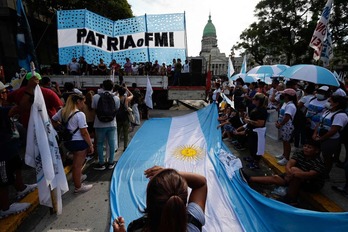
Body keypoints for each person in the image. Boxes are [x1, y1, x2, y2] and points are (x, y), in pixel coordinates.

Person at [113, 166, 207, 232]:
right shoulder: (193, 221)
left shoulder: (137, 228)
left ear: (148, 202)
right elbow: (201, 183)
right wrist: (170, 173)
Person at [240, 140, 326, 205]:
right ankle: (250, 179)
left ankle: (291, 198)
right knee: (277, 177)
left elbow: (310, 175)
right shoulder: (300, 153)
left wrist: (293, 173)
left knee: (296, 172)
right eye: (305, 146)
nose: (306, 148)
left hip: (311, 183)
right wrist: (289, 171)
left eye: (309, 147)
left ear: (316, 151)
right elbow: (290, 163)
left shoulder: (318, 162)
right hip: (293, 176)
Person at [0, 82, 37, 218]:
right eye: (3, 92)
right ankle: (5, 208)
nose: (6, 94)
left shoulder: (3, 106)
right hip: (2, 152)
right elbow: (20, 108)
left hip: (10, 147)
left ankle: (21, 188)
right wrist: (29, 90)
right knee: (3, 181)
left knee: (16, 167)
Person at [52, 94, 94, 194]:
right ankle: (78, 186)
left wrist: (61, 128)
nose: (83, 104)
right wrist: (90, 145)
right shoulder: (80, 114)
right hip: (79, 142)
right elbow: (84, 132)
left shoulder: (62, 111)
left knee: (76, 164)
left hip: (68, 142)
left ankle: (78, 177)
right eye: (82, 102)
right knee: (77, 165)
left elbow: (53, 121)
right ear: (78, 102)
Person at [312, 95, 348, 176]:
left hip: (330, 139)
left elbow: (333, 130)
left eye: (330, 101)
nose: (327, 103)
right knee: (316, 154)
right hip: (320, 137)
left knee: (327, 157)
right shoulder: (328, 111)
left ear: (336, 104)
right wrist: (315, 133)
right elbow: (319, 123)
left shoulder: (340, 115)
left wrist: (321, 138)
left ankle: (325, 174)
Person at [234, 93, 268, 169]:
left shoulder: (262, 110)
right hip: (252, 130)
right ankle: (252, 158)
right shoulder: (256, 108)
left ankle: (256, 163)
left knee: (256, 148)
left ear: (258, 101)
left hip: (257, 132)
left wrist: (248, 121)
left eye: (254, 99)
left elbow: (260, 123)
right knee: (251, 146)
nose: (252, 100)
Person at [92, 80, 120, 170]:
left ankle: (101, 163)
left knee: (99, 144)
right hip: (112, 123)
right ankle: (111, 162)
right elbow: (117, 108)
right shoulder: (116, 98)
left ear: (102, 86)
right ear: (113, 88)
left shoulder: (96, 97)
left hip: (99, 124)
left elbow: (94, 107)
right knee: (111, 143)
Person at [275, 88, 297, 166]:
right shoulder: (286, 104)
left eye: (283, 95)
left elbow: (287, 117)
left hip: (287, 126)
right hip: (284, 125)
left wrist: (280, 124)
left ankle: (286, 158)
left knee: (287, 142)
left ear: (287, 96)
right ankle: (284, 154)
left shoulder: (291, 105)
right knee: (284, 141)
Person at [116, 86, 133, 151]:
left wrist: (117, 91)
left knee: (118, 133)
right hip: (125, 117)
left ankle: (116, 147)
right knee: (126, 133)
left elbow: (112, 95)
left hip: (118, 117)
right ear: (124, 92)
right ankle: (125, 146)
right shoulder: (126, 99)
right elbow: (132, 95)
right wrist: (127, 89)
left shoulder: (116, 98)